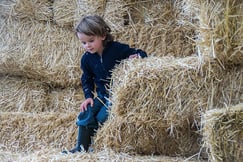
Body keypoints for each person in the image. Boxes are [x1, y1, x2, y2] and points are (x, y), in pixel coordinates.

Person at [63, 15, 147, 154]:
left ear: (102, 35)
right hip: (102, 95)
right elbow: (87, 79)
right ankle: (81, 148)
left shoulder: (117, 49)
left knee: (101, 117)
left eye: (91, 41)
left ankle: (97, 143)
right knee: (86, 112)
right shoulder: (86, 59)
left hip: (117, 96)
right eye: (83, 42)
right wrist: (88, 96)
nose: (87, 45)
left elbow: (140, 52)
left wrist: (138, 56)